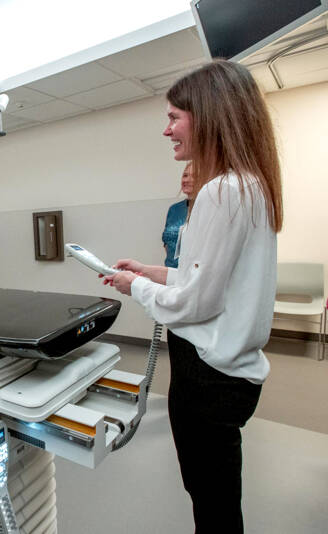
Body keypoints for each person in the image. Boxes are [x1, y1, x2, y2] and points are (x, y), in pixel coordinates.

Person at [102, 60, 283, 533]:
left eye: (174, 117)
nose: (167, 131)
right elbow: (209, 278)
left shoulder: (221, 192)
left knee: (213, 501)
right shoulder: (251, 187)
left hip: (208, 376)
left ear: (207, 116)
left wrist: (134, 286)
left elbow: (196, 303)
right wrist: (154, 272)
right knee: (218, 493)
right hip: (232, 375)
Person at [162, 163, 194, 268]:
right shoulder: (174, 209)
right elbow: (166, 242)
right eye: (185, 175)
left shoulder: (208, 208)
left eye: (194, 176)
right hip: (170, 273)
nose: (186, 180)